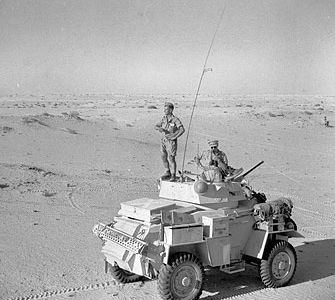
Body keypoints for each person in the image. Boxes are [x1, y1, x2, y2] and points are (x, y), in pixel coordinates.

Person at [155, 102, 185, 181]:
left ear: (171, 110)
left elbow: (182, 130)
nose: (165, 111)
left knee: (171, 158)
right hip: (163, 140)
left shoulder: (175, 120)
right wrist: (159, 129)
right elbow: (156, 126)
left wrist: (174, 136)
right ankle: (167, 171)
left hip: (171, 142)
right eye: (164, 109)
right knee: (163, 156)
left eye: (167, 109)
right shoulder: (164, 118)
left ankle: (173, 175)